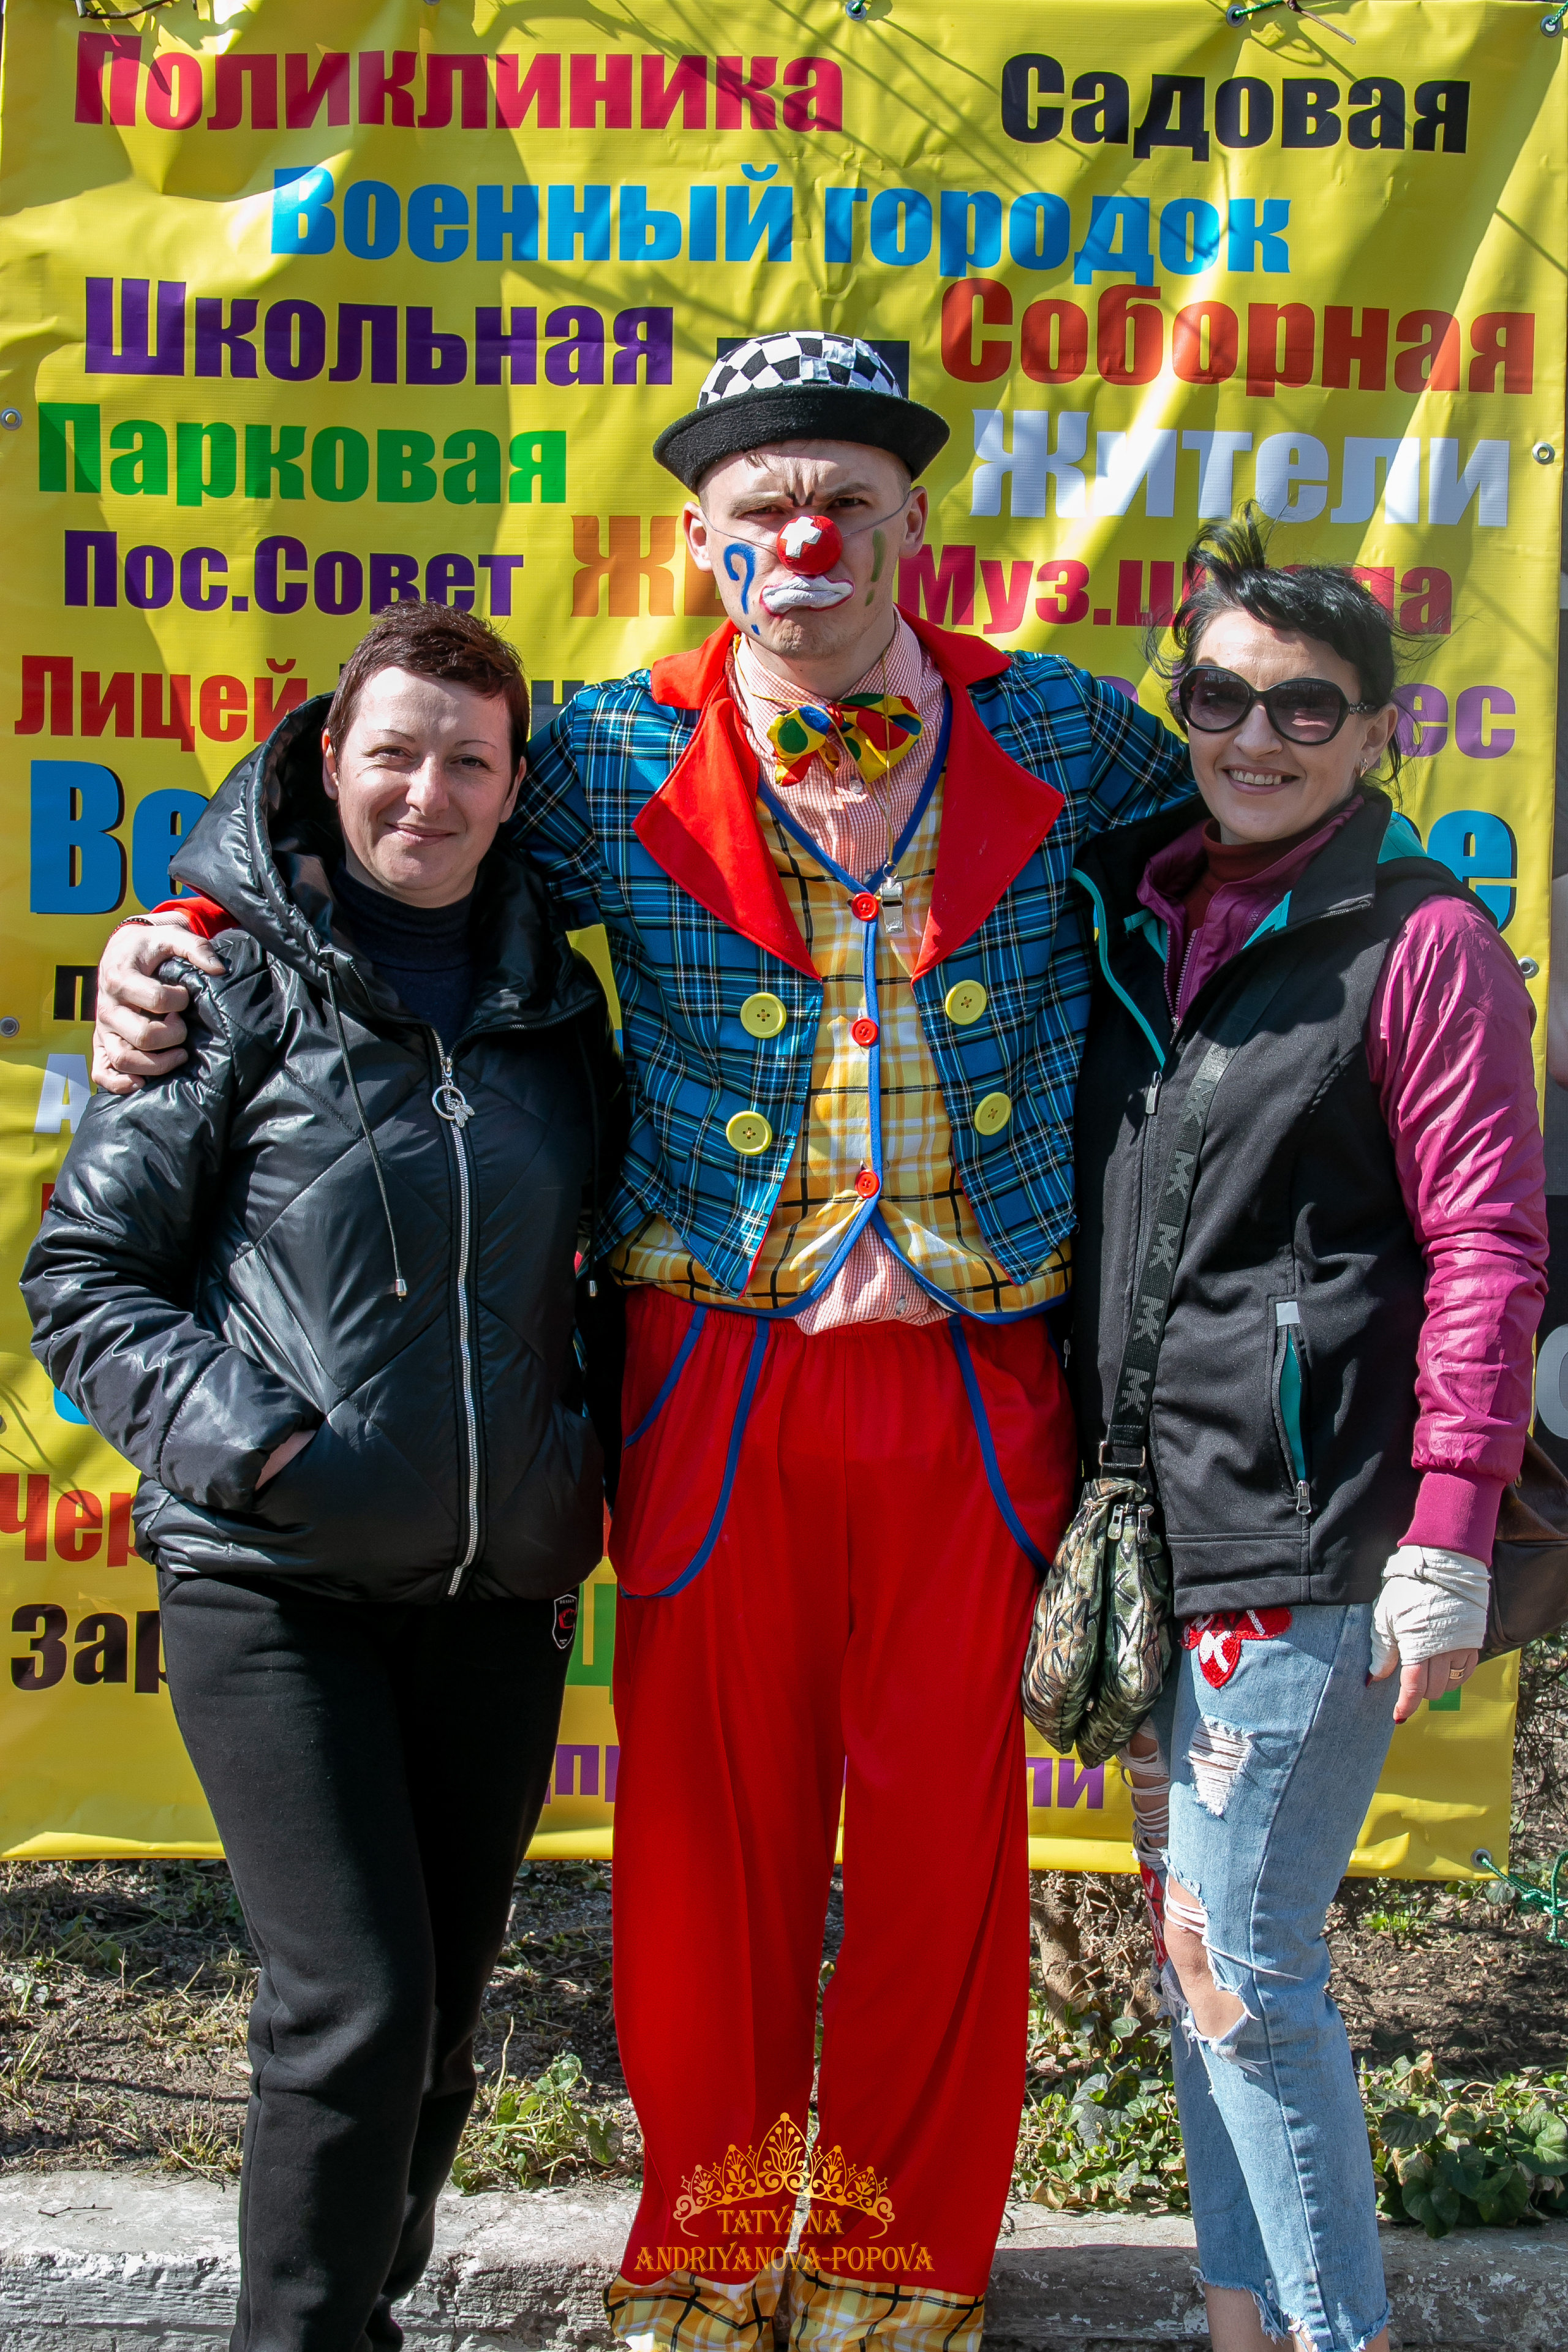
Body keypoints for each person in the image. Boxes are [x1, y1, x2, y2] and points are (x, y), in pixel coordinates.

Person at [89, 332, 1199, 2352]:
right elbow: (365, 846)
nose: (809, 539)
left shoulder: (1085, 740)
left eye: (847, 502)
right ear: (702, 547)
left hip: (976, 1373)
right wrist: (181, 936)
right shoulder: (597, 756)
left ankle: (893, 2268)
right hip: (715, 1361)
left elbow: (1263, 848)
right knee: (707, 1836)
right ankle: (707, 2254)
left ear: (914, 527)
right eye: (765, 508)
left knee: (950, 1842)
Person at [25, 602, 623, 2351]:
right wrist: (265, 1450)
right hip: (272, 1585)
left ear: (516, 792)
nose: (425, 793)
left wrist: (576, 1467)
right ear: (328, 762)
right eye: (395, 753)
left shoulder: (550, 1005)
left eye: (467, 761)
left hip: (498, 1598)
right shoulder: (216, 978)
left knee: (436, 2024)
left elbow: (595, 1260)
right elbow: (85, 1277)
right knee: (353, 2005)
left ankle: (355, 2310)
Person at [1068, 512, 1548, 2352]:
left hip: (1328, 1526)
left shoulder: (1419, 942)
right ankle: (1244, 2326)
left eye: (1307, 707)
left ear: (1375, 731)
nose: (1255, 735)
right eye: (1218, 695)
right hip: (1170, 1526)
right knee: (1205, 1957)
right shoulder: (1147, 909)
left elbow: (1492, 1243)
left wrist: (1450, 1521)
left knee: (1242, 1966)